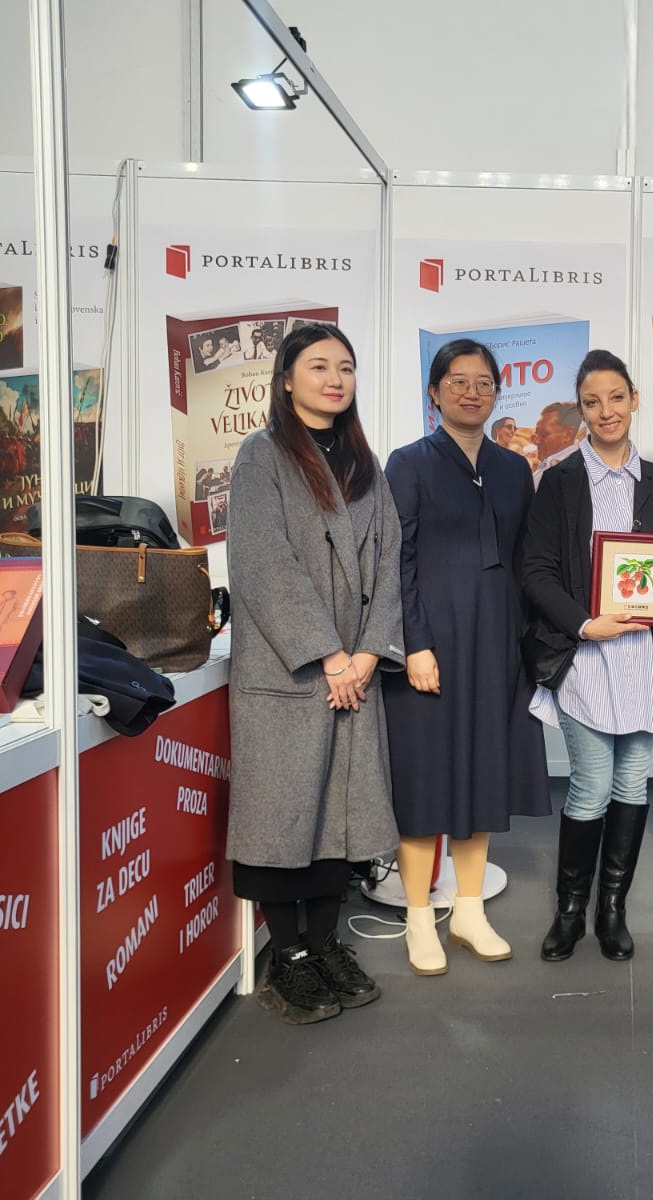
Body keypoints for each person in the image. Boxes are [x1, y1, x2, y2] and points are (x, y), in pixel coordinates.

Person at [225, 322, 404, 1025]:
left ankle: (326, 944)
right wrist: (329, 655)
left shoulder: (364, 463)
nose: (335, 379)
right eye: (320, 366)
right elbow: (262, 563)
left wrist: (369, 653)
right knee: (282, 815)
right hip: (292, 672)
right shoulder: (261, 455)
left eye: (346, 367)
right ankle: (289, 957)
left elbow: (389, 560)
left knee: (340, 816)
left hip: (353, 670)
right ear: (287, 379)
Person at [383, 339, 552, 976]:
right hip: (431, 645)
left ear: (497, 393)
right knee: (426, 780)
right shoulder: (408, 464)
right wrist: (415, 644)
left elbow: (530, 559)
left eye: (484, 382)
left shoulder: (513, 469)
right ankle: (418, 918)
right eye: (457, 381)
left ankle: (469, 912)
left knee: (483, 775)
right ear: (434, 393)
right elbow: (395, 562)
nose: (472, 392)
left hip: (496, 644)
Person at [522, 350, 653, 961]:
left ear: (634, 400)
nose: (606, 411)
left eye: (616, 398)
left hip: (645, 656)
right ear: (582, 409)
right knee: (591, 785)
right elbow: (536, 571)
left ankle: (612, 909)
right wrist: (583, 622)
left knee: (631, 782)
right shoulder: (559, 479)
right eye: (592, 402)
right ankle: (570, 911)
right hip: (586, 654)